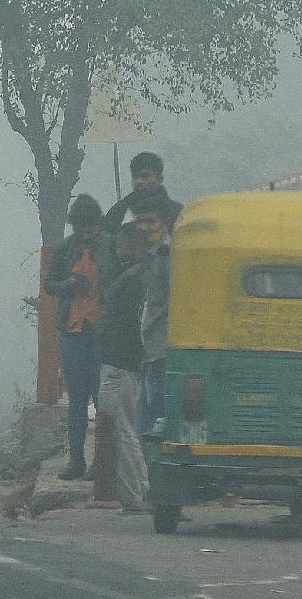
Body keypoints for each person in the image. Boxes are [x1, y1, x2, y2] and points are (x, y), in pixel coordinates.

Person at [46, 194, 110, 480]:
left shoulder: (111, 247)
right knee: (77, 400)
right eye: (80, 228)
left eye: (90, 228)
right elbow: (50, 284)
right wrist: (68, 286)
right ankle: (76, 460)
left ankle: (102, 461)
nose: (85, 234)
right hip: (73, 331)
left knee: (102, 399)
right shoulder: (65, 249)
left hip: (102, 333)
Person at [95, 219, 153, 511]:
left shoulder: (133, 278)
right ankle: (138, 493)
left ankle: (135, 495)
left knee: (124, 429)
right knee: (129, 429)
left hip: (120, 362)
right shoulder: (140, 276)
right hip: (127, 363)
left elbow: (131, 323)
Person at [138, 192, 182, 463]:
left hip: (161, 341)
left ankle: (155, 464)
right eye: (141, 222)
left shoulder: (167, 255)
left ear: (164, 223)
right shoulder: (148, 253)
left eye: (151, 222)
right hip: (148, 342)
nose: (145, 228)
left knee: (157, 407)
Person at [105, 152, 184, 231]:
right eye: (135, 177)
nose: (138, 181)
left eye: (145, 176)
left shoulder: (176, 212)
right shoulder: (119, 211)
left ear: (160, 179)